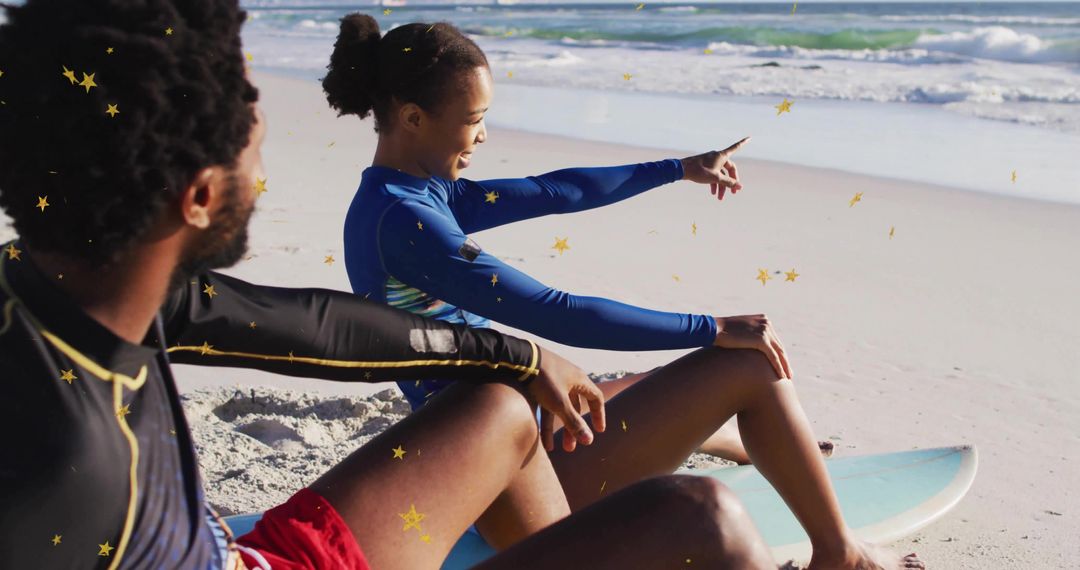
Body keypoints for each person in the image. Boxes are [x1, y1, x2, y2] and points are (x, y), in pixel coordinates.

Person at [0, 1, 789, 569]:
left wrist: (514, 356)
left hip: (259, 552)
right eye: (255, 149)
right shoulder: (75, 460)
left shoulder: (87, 291)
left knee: (496, 401)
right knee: (699, 516)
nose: (265, 173)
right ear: (200, 195)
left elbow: (317, 326)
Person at [329, 14, 923, 569]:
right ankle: (839, 553)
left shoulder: (403, 197)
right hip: (509, 481)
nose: (483, 135)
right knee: (747, 365)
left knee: (633, 385)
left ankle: (731, 436)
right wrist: (712, 327)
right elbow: (557, 314)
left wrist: (680, 168)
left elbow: (557, 191)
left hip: (495, 438)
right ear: (412, 118)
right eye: (473, 118)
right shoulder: (410, 223)